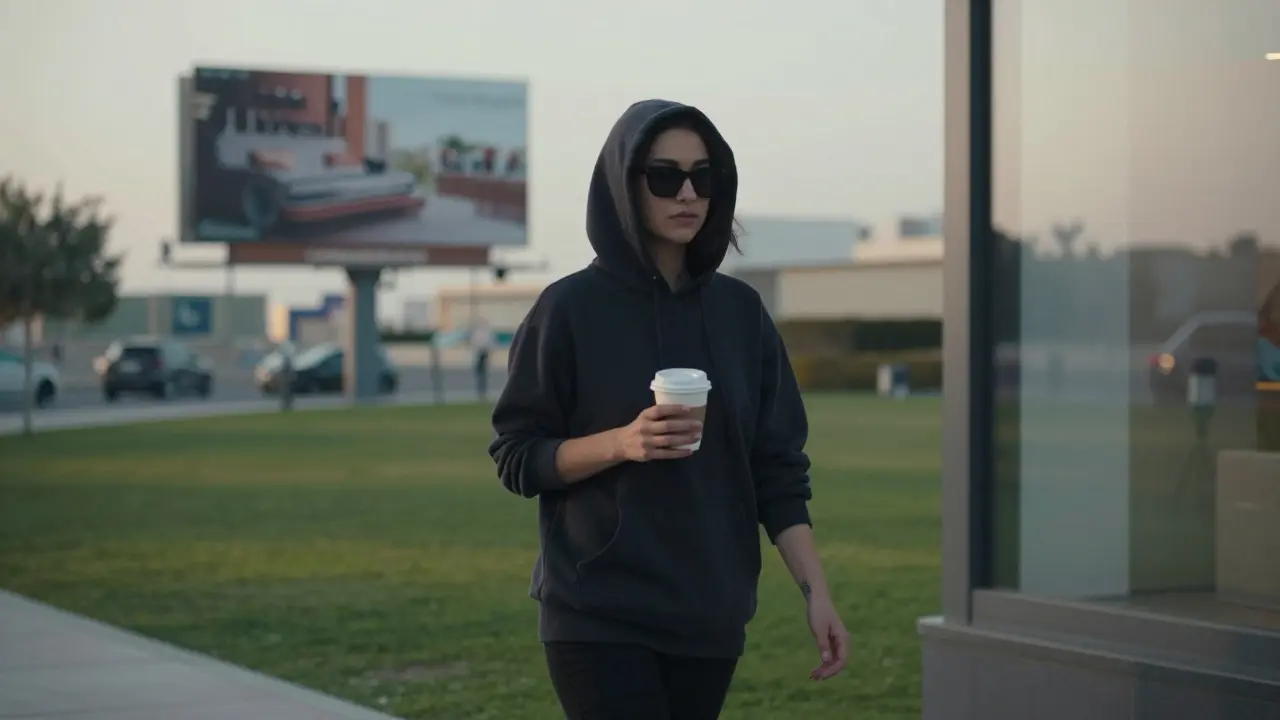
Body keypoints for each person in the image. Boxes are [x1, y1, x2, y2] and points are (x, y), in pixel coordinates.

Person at [489, 99, 849, 720]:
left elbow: (778, 470)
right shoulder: (569, 309)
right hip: (596, 614)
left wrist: (817, 594)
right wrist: (622, 443)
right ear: (625, 185)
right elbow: (517, 456)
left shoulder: (742, 315)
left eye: (703, 177)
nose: (687, 193)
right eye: (664, 176)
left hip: (710, 614)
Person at [470, 318, 494, 399]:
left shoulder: (483, 333)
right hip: (480, 353)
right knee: (481, 373)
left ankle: (482, 391)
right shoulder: (481, 332)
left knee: (482, 373)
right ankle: (481, 391)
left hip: (483, 353)